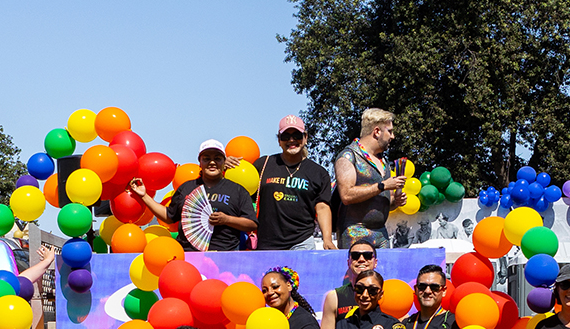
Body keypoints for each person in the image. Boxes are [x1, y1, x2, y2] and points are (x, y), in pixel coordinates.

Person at [131, 140, 256, 253]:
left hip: (225, 255)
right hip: (189, 254)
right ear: (200, 162)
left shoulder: (237, 190)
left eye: (217, 158)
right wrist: (144, 195)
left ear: (224, 162)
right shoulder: (186, 188)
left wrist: (226, 219)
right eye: (206, 159)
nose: (212, 162)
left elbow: (252, 224)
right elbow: (169, 216)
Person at [253, 115, 335, 251]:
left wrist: (327, 240)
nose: (291, 140)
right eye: (285, 136)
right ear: (279, 140)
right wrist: (228, 164)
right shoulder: (264, 164)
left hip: (301, 242)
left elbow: (322, 208)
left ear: (305, 137)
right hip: (268, 243)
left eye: (297, 135)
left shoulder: (318, 172)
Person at [332, 108, 405, 249]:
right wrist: (381, 186)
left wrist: (395, 201)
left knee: (383, 272)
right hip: (355, 234)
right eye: (389, 131)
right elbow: (346, 195)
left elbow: (384, 202)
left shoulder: (383, 162)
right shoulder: (349, 156)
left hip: (381, 234)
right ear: (377, 132)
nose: (393, 136)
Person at [318, 237, 379, 329]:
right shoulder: (334, 297)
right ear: (348, 262)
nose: (361, 259)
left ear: (375, 262)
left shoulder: (387, 293)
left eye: (367, 255)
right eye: (355, 256)